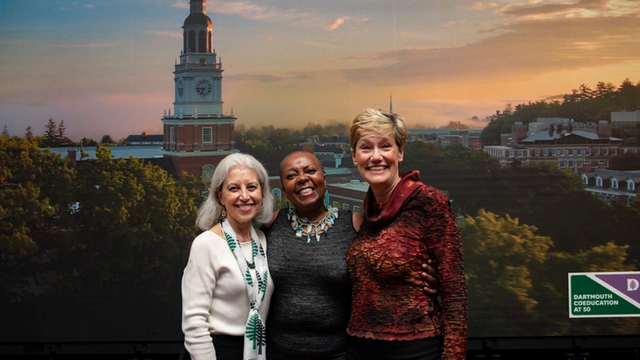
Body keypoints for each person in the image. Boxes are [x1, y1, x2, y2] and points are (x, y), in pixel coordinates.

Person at [264, 150, 439, 360]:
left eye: (310, 171)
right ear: (283, 189)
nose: (303, 178)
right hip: (277, 353)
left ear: (324, 179)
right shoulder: (271, 225)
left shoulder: (354, 223)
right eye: (292, 176)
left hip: (341, 353)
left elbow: (388, 267)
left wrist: (426, 278)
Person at [346, 108, 468, 360]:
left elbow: (454, 295)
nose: (376, 157)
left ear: (400, 153)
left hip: (415, 351)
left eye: (385, 146)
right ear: (354, 156)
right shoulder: (369, 210)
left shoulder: (429, 202)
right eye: (366, 148)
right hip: (360, 349)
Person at [181, 153, 275, 360]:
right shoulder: (206, 244)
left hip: (256, 349)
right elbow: (194, 324)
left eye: (251, 187)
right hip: (215, 351)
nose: (244, 196)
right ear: (221, 196)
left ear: (262, 192)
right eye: (234, 188)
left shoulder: (262, 240)